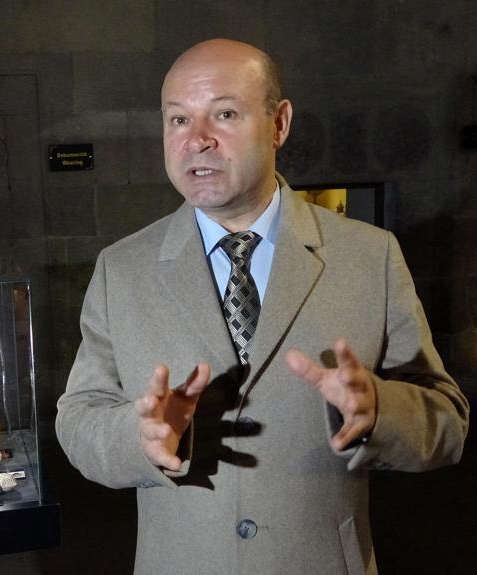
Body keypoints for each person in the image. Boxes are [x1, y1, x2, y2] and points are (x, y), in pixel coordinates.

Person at [55, 38, 469, 575]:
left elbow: (447, 421)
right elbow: (79, 417)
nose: (197, 140)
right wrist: (136, 439)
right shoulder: (122, 269)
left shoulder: (370, 256)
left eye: (224, 114)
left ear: (280, 124)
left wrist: (379, 412)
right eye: (178, 119)